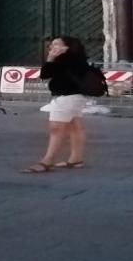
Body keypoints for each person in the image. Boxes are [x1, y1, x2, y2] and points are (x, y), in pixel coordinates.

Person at [25, 37, 92, 173]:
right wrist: (51, 57)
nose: (52, 46)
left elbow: (46, 74)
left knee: (56, 128)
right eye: (51, 44)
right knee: (75, 127)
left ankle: (47, 161)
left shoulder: (70, 60)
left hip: (67, 97)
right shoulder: (70, 59)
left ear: (67, 47)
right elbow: (45, 74)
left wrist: (54, 58)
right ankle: (76, 158)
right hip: (74, 96)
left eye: (56, 44)